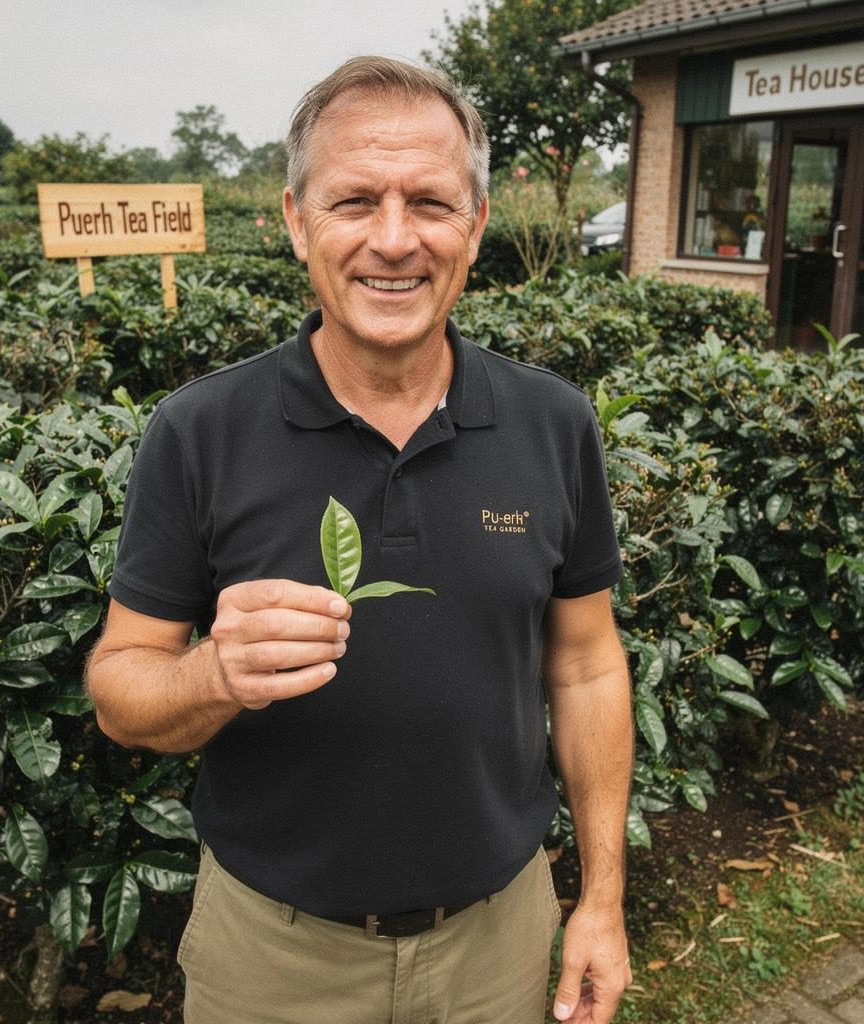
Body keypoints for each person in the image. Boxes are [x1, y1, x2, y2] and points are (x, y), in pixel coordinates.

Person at [86, 56, 633, 1024]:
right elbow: (125, 692)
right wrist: (213, 672)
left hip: (499, 937)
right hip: (272, 953)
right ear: (295, 220)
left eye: (428, 200)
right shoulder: (200, 429)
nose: (393, 239)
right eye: (352, 201)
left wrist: (598, 900)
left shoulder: (553, 422)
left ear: (474, 221)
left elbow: (586, 664)